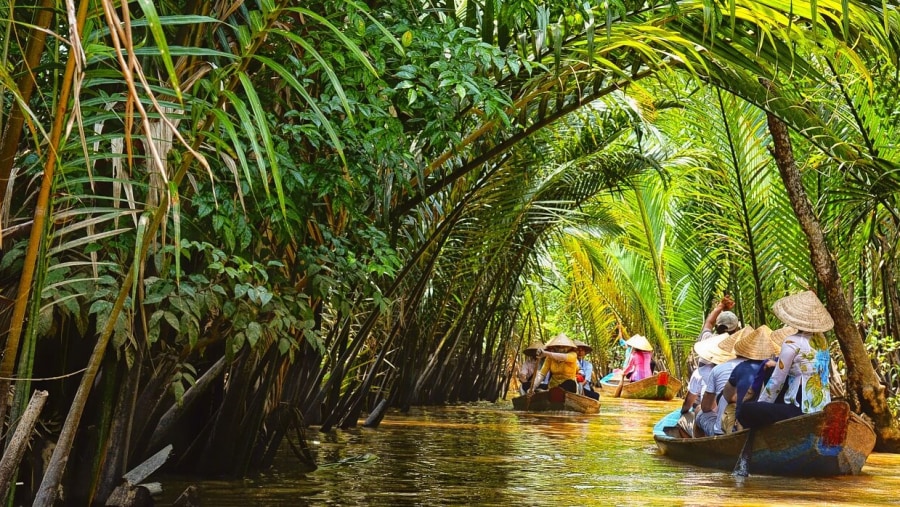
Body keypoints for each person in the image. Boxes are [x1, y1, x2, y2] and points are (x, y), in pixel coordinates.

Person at [739, 291, 834, 429]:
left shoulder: (792, 341)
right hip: (822, 406)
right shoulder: (822, 342)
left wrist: (762, 405)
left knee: (745, 410)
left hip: (800, 409)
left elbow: (777, 380)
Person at [718, 325, 781, 433]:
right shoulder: (779, 367)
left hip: (747, 420)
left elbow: (727, 396)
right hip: (772, 419)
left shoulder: (741, 368)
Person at [694, 326, 753, 437]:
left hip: (722, 431)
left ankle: (697, 446)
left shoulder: (718, 369)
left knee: (698, 410)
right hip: (751, 428)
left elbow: (706, 407)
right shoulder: (763, 367)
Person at [676, 333, 734, 437]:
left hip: (720, 427)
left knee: (697, 410)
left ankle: (698, 442)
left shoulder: (708, 371)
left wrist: (683, 412)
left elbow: (697, 405)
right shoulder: (742, 367)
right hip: (737, 423)